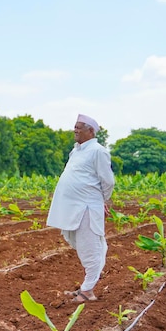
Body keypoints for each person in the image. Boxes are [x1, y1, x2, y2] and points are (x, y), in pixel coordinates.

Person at [46, 114, 115, 303]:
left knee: (90, 246)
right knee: (79, 243)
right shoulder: (76, 151)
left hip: (87, 206)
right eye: (74, 127)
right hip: (73, 207)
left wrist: (102, 201)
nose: (75, 130)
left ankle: (88, 291)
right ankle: (86, 286)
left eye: (79, 127)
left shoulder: (98, 151)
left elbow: (107, 181)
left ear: (91, 131)